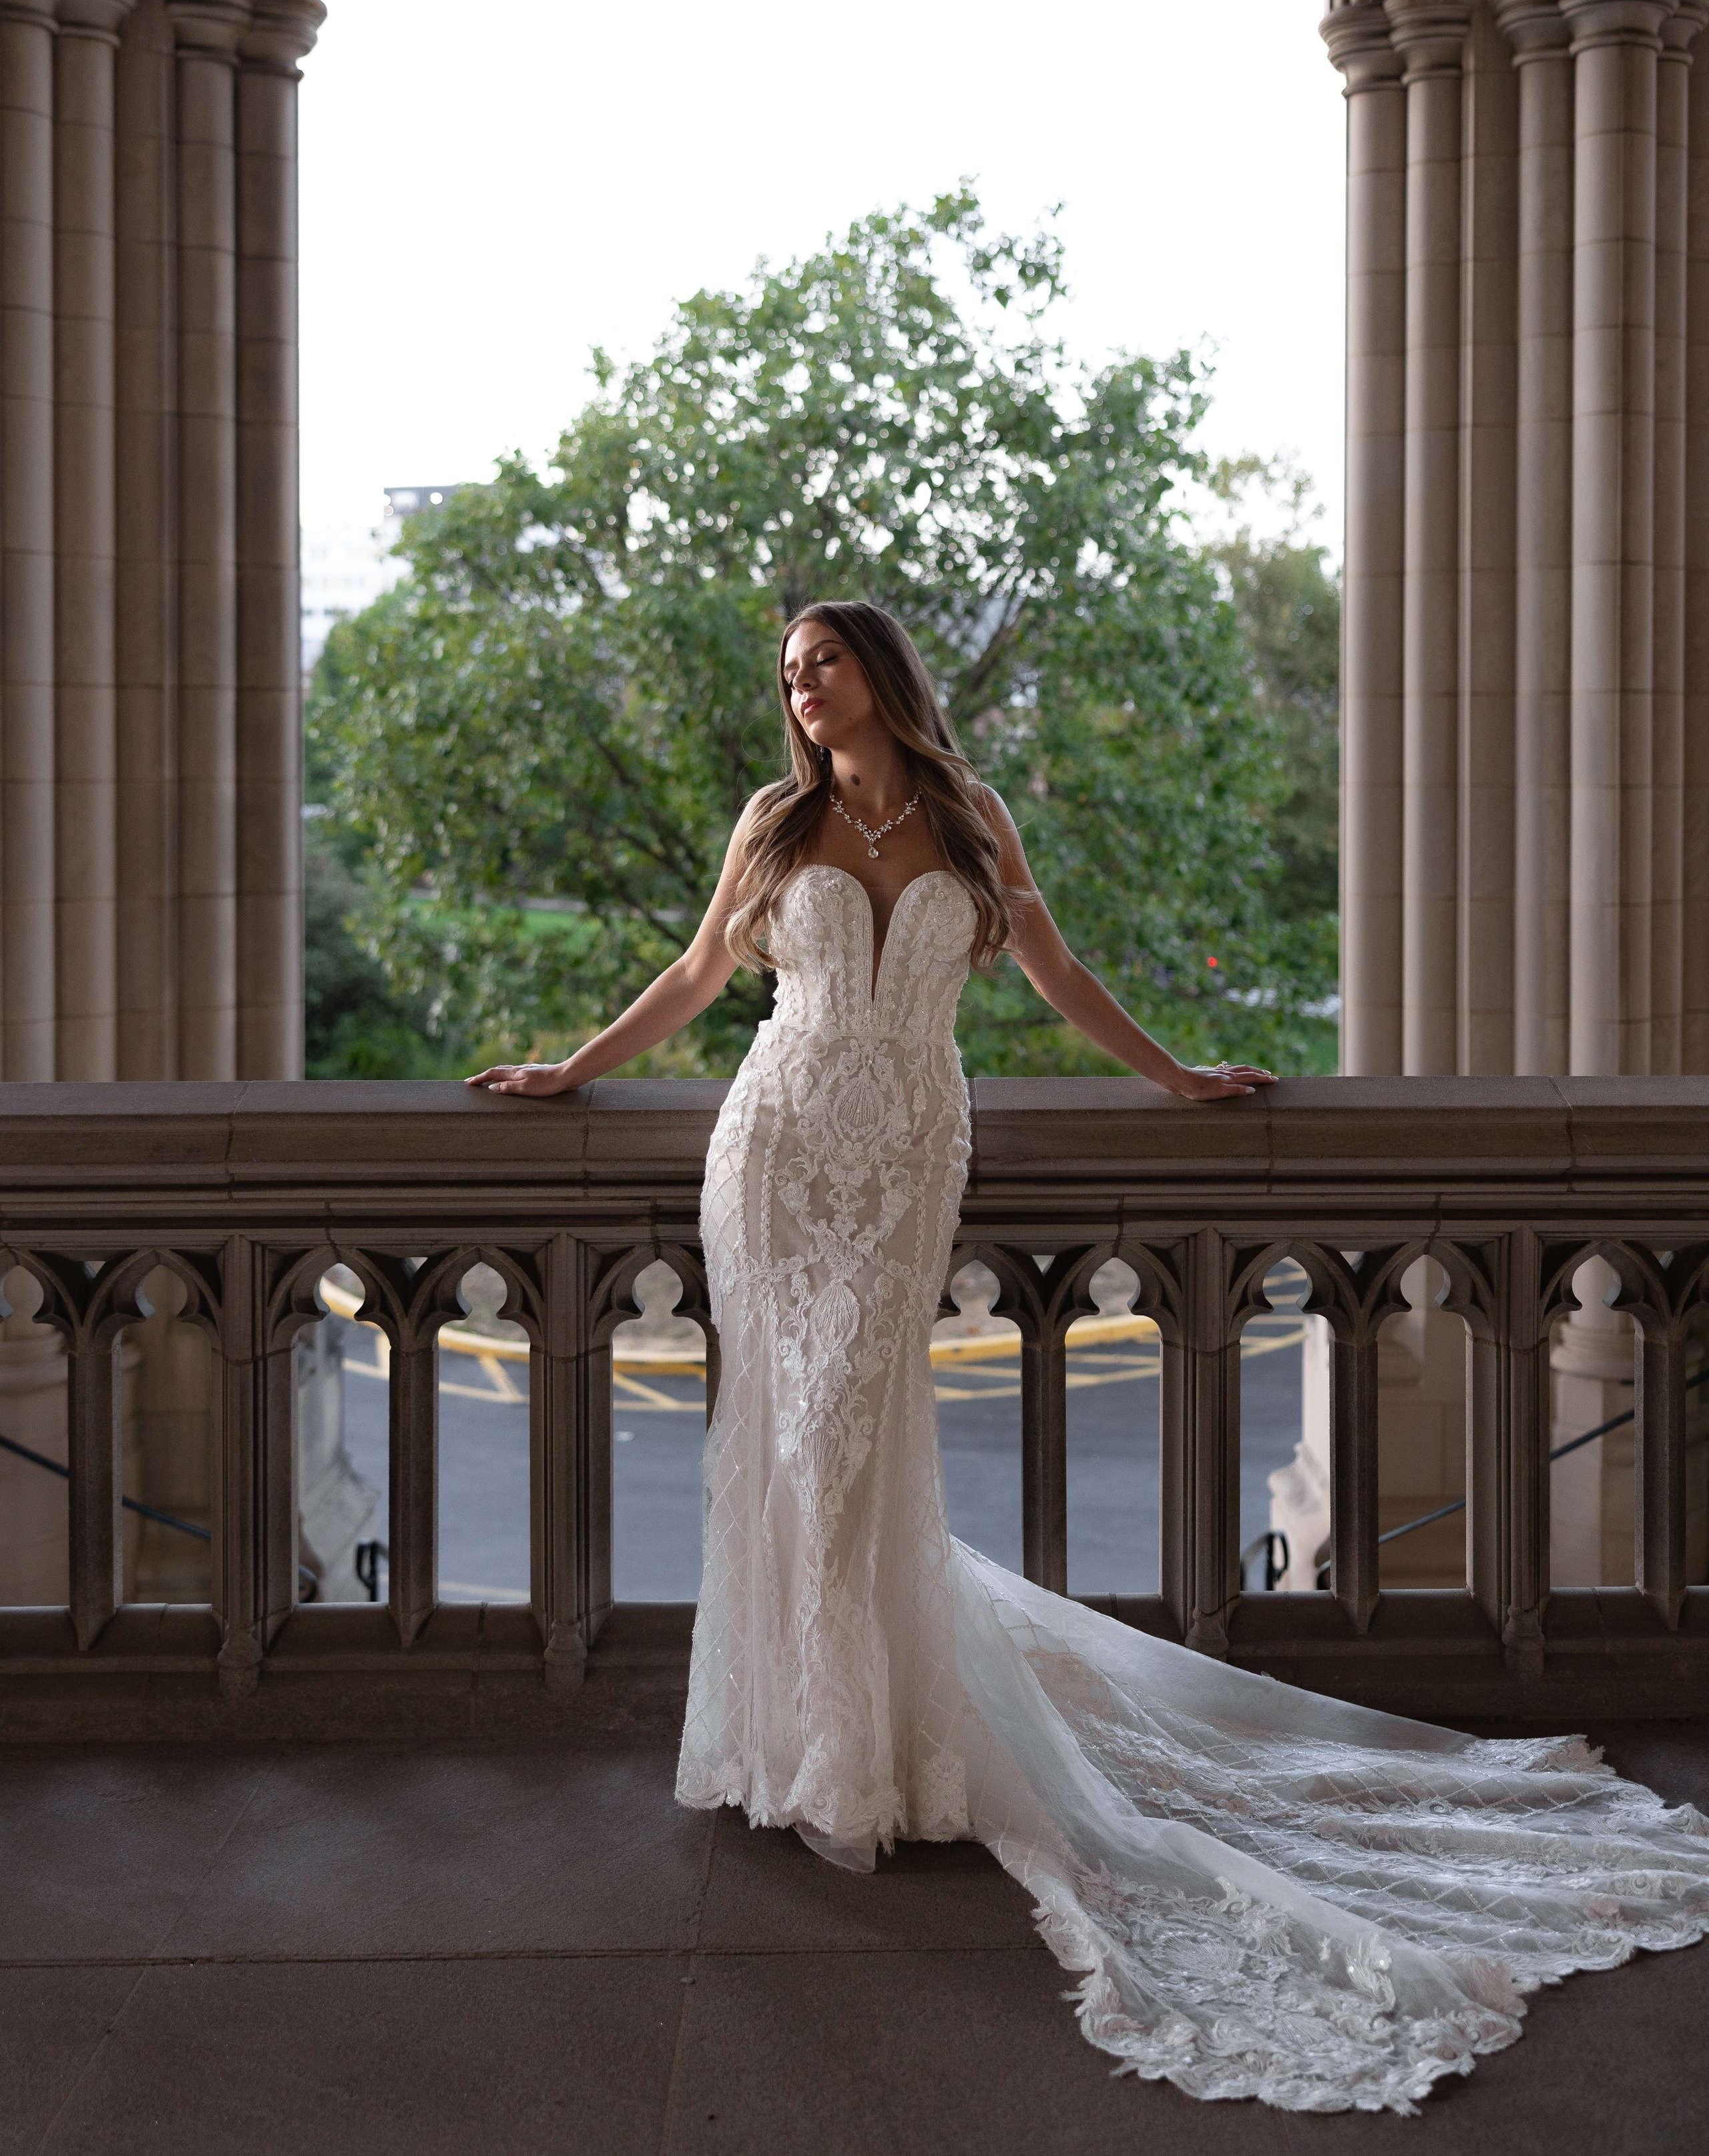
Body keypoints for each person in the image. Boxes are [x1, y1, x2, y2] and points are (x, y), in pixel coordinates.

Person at [469, 599, 1709, 2113]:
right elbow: (689, 981)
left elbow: (1049, 971)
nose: (800, 690)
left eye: (824, 661)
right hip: (774, 1155)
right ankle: (805, 1744)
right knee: (782, 1441)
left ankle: (864, 1745)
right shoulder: (770, 819)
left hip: (906, 1152)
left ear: (879, 674)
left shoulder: (966, 817)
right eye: (786, 674)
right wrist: (566, 1068)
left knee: (852, 1434)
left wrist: (1174, 1072)